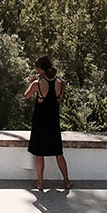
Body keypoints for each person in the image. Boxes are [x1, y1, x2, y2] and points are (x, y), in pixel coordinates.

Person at [23, 56, 71, 191]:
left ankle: (40, 183)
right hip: (54, 121)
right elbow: (59, 100)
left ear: (41, 69)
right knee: (58, 153)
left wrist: (32, 82)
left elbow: (26, 95)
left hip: (40, 122)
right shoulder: (61, 83)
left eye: (37, 68)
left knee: (39, 154)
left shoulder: (37, 84)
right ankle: (66, 182)